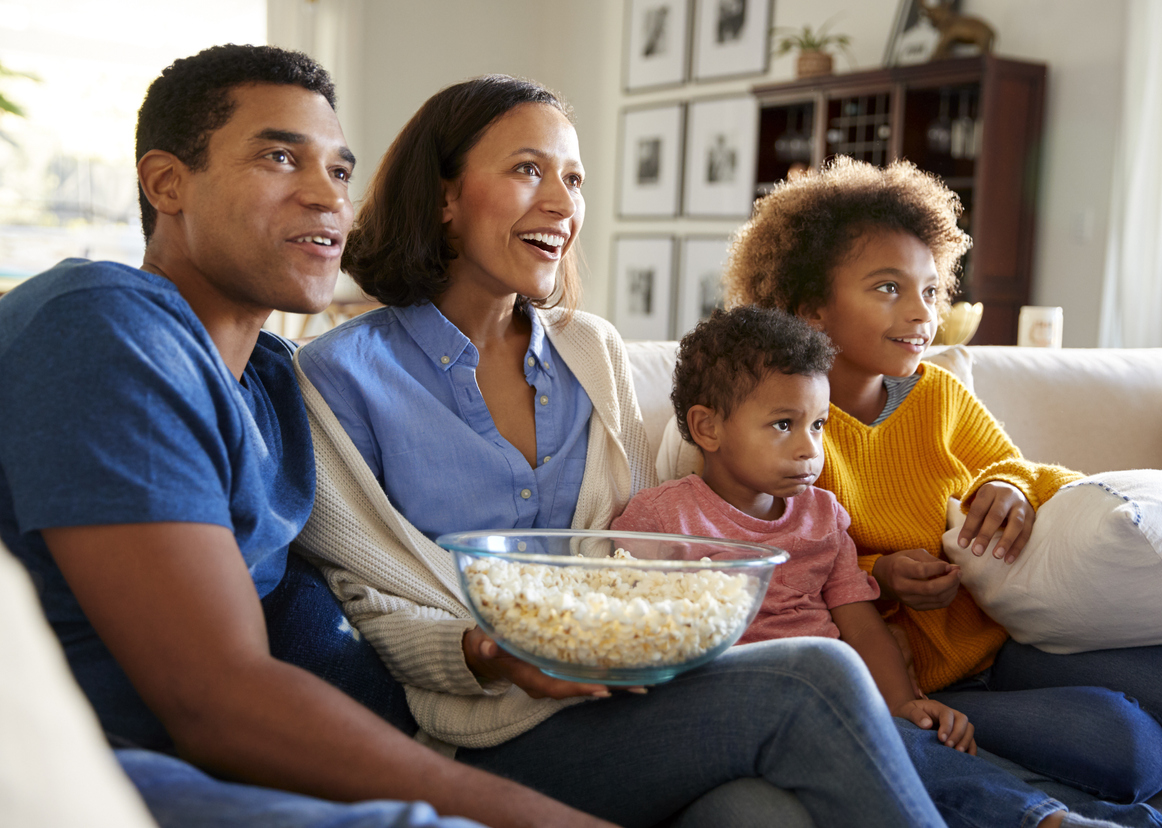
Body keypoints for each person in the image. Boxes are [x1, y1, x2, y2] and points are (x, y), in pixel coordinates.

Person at [0, 44, 612, 828]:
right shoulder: (101, 325)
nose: (326, 197)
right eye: (278, 157)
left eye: (339, 171)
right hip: (82, 768)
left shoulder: (274, 383)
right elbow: (217, 697)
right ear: (167, 184)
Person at [295, 74, 948, 828]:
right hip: (477, 736)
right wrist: (484, 652)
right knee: (815, 674)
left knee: (757, 814)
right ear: (444, 197)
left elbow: (640, 548)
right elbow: (362, 597)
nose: (561, 203)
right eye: (527, 169)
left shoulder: (590, 351)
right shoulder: (337, 376)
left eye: (573, 179)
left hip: (631, 701)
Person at [710, 155, 1162, 803]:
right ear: (811, 311)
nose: (920, 313)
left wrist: (1009, 487)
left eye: (930, 289)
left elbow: (1021, 468)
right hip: (913, 684)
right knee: (1132, 752)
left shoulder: (937, 395)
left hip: (1006, 646)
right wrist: (881, 577)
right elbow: (782, 582)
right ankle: (955, 759)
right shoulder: (779, 428)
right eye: (888, 288)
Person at [614, 305, 1162, 828]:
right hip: (748, 708)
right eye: (783, 425)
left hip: (843, 695)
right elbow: (628, 628)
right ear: (707, 428)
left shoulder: (823, 515)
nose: (810, 449)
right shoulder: (664, 518)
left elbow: (858, 621)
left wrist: (906, 701)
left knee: (918, 740)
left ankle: (1084, 817)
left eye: (818, 426)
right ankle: (1044, 819)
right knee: (879, 738)